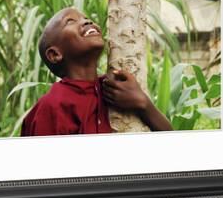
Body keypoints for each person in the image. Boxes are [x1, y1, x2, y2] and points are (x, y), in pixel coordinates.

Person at [20, 7, 173, 136]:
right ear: (55, 54)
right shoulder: (51, 106)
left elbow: (172, 142)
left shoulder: (116, 88)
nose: (87, 21)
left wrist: (143, 103)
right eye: (70, 21)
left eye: (86, 18)